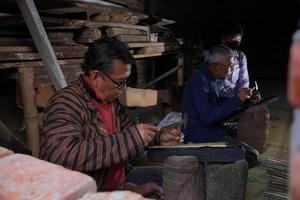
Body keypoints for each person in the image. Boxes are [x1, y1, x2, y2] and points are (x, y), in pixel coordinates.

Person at [40, 37, 182, 197]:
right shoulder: (66, 103)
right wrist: (131, 138)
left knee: (170, 176)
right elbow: (63, 155)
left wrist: (158, 137)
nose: (124, 88)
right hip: (88, 192)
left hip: (120, 183)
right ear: (96, 77)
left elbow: (129, 131)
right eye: (120, 82)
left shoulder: (110, 100)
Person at [182, 45, 258, 168]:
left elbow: (218, 103)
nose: (232, 69)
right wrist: (237, 99)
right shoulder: (199, 81)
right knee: (250, 157)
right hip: (197, 134)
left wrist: (244, 100)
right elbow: (208, 117)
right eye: (230, 66)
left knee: (251, 151)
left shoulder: (210, 78)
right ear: (217, 67)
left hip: (210, 129)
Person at [217, 22, 250, 98]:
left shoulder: (241, 56)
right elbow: (218, 82)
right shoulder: (215, 56)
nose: (236, 42)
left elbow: (244, 80)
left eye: (238, 39)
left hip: (236, 98)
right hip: (218, 98)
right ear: (223, 39)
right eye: (233, 39)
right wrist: (236, 93)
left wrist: (245, 92)